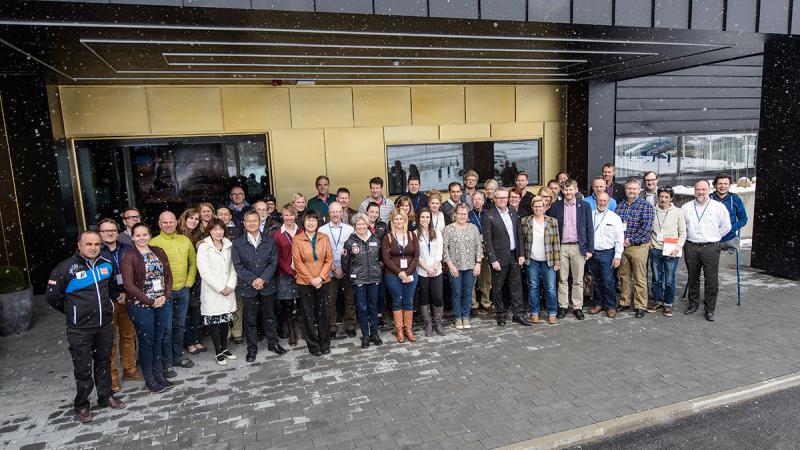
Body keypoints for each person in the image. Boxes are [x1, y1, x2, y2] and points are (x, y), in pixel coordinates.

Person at [46, 230, 126, 423]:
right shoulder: (65, 268)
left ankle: (105, 397)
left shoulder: (106, 265)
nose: (93, 248)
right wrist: (73, 313)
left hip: (104, 325)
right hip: (80, 329)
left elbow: (113, 289)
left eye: (97, 244)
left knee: (104, 362)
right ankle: (82, 405)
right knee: (82, 369)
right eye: (89, 244)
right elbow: (52, 297)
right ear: (79, 246)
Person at [121, 223, 175, 395]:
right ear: (132, 237)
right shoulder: (129, 256)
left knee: (159, 338)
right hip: (140, 305)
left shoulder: (158, 251)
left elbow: (168, 276)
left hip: (161, 302)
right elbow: (129, 285)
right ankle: (149, 378)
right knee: (147, 341)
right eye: (138, 235)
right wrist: (150, 301)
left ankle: (159, 374)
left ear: (149, 235)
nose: (142, 238)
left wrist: (165, 296)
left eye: (145, 234)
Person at [232, 210, 287, 361]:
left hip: (267, 286)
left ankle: (273, 343)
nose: (251, 223)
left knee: (269, 317)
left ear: (259, 222)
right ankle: (252, 349)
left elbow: (273, 262)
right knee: (250, 320)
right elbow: (238, 266)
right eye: (248, 221)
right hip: (248, 288)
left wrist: (262, 279)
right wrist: (253, 280)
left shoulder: (269, 241)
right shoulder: (237, 243)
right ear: (244, 223)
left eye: (254, 221)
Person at [97, 218, 143, 393]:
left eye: (113, 230)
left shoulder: (126, 249)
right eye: (105, 231)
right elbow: (99, 280)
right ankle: (112, 378)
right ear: (100, 233)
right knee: (109, 341)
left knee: (128, 335)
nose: (110, 233)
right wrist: (116, 294)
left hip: (128, 297)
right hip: (107, 301)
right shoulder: (97, 252)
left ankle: (130, 369)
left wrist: (128, 292)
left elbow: (136, 271)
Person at [150, 211, 197, 369]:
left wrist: (189, 282)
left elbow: (193, 261)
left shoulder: (184, 240)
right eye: (165, 222)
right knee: (166, 328)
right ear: (159, 224)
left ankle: (177, 357)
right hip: (165, 293)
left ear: (176, 222)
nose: (168, 225)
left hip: (183, 289)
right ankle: (166, 361)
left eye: (171, 222)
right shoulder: (153, 243)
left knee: (180, 325)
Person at [681, 180, 731, 321]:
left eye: (703, 189)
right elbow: (682, 227)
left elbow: (726, 226)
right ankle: (693, 304)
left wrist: (714, 236)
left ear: (709, 190)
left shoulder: (718, 207)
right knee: (693, 277)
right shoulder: (686, 207)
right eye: (698, 189)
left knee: (711, 279)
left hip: (711, 246)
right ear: (694, 191)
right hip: (691, 246)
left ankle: (709, 309)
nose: (700, 192)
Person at [546, 179, 594, 320]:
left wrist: (589, 249)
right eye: (566, 189)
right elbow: (551, 229)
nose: (568, 192)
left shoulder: (584, 206)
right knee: (562, 279)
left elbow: (589, 228)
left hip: (578, 247)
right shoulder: (556, 207)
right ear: (562, 190)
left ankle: (577, 307)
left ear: (576, 189)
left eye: (571, 189)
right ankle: (563, 306)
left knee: (578, 280)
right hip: (561, 247)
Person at [482, 187, 529, 326]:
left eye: (504, 197)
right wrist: (493, 259)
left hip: (514, 255)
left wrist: (521, 254)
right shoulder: (488, 215)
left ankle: (518, 314)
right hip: (499, 258)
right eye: (499, 197)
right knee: (498, 287)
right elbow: (487, 240)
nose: (502, 200)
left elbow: (519, 234)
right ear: (494, 199)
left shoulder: (513, 212)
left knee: (516, 286)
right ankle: (501, 313)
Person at [196, 219, 238, 366]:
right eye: (215, 230)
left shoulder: (229, 244)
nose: (218, 232)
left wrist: (230, 285)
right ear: (210, 231)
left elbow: (234, 267)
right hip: (213, 291)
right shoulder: (204, 247)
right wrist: (220, 288)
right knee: (215, 323)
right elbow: (204, 271)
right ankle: (218, 352)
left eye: (221, 229)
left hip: (228, 289)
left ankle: (225, 349)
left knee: (225, 322)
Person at [292, 210, 334, 356]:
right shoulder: (297, 239)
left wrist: (321, 278)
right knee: (308, 314)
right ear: (303, 222)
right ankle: (313, 345)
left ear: (318, 223)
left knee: (324, 313)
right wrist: (311, 279)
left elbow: (329, 259)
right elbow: (298, 262)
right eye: (308, 220)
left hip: (324, 281)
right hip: (305, 283)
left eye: (314, 220)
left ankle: (325, 343)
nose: (311, 223)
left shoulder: (324, 238)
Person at [342, 213, 384, 348]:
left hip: (374, 279)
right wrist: (352, 275)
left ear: (367, 225)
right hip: (358, 280)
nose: (361, 226)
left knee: (373, 306)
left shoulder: (376, 240)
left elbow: (381, 259)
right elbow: (345, 263)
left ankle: (374, 334)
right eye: (358, 224)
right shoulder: (349, 242)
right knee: (362, 307)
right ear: (354, 226)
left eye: (363, 223)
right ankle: (365, 335)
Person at [615, 178, 655, 318]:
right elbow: (615, 225)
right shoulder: (620, 206)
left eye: (634, 189)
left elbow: (647, 228)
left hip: (638, 247)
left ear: (639, 190)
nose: (631, 191)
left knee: (639, 277)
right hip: (623, 247)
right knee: (624, 276)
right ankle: (624, 301)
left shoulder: (646, 206)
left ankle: (640, 305)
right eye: (629, 189)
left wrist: (631, 240)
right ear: (625, 190)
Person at [442, 203, 483, 330]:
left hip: (470, 266)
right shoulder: (448, 229)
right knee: (456, 293)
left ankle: (466, 316)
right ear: (455, 214)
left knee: (467, 293)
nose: (462, 216)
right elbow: (444, 249)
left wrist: (478, 263)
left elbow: (478, 246)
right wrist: (450, 265)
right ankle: (458, 317)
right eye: (460, 213)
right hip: (455, 268)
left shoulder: (473, 228)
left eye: (464, 214)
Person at [521, 196, 561, 324]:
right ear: (532, 207)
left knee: (550, 287)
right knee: (533, 286)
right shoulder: (525, 221)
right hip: (531, 259)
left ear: (545, 207)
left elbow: (556, 242)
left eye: (540, 206)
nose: (538, 208)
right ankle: (534, 312)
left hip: (548, 260)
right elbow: (522, 241)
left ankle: (552, 312)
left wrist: (557, 261)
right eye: (535, 206)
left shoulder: (552, 221)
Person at [319, 202, 356, 339]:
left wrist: (343, 268)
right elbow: (321, 253)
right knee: (330, 301)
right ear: (328, 214)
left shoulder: (349, 229)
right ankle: (332, 326)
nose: (335, 214)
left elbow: (353, 252)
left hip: (346, 270)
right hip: (329, 271)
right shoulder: (322, 230)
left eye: (338, 211)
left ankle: (350, 325)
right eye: (332, 212)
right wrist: (333, 268)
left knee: (350, 299)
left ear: (342, 213)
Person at [382, 209, 420, 343]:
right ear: (392, 221)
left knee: (409, 301)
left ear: (405, 220)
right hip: (393, 275)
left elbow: (416, 256)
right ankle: (399, 330)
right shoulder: (388, 237)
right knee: (397, 300)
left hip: (411, 274)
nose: (399, 221)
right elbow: (386, 259)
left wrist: (408, 272)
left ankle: (408, 329)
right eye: (396, 219)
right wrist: (400, 272)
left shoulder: (411, 235)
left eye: (401, 219)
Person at [647, 186, 686, 317]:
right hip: (655, 249)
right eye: (661, 196)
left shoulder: (678, 212)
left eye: (666, 197)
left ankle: (668, 303)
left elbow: (683, 233)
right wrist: (650, 245)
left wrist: (677, 247)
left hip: (671, 250)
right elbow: (648, 229)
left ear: (671, 198)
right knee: (656, 278)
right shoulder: (652, 210)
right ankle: (658, 301)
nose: (663, 199)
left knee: (669, 279)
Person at [587, 193, 624, 318]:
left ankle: (610, 306)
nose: (602, 203)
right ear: (596, 201)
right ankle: (598, 304)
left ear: (608, 202)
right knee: (596, 281)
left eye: (604, 201)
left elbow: (620, 239)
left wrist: (617, 256)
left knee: (608, 281)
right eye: (600, 200)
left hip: (608, 253)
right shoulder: (589, 215)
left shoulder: (614, 218)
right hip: (592, 253)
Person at [177, 208, 206, 356]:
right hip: (182, 278)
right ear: (184, 218)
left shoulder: (200, 235)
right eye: (191, 218)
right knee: (185, 313)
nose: (193, 221)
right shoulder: (177, 235)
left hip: (197, 278)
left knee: (196, 311)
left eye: (196, 219)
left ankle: (197, 339)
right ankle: (189, 342)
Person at [273, 204, 303, 346]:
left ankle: (302, 330)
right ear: (282, 216)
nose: (289, 218)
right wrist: (291, 271)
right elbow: (277, 257)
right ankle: (291, 333)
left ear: (295, 216)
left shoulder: (302, 232)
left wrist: (300, 271)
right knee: (287, 306)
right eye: (286, 215)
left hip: (302, 273)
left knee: (303, 304)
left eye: (291, 215)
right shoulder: (277, 234)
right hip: (285, 274)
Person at [415, 208, 445, 336]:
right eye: (423, 217)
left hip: (436, 270)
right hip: (422, 271)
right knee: (424, 297)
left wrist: (434, 267)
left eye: (427, 217)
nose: (425, 219)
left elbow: (440, 251)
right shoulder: (414, 233)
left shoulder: (437, 232)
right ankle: (428, 324)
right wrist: (427, 268)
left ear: (430, 219)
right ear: (419, 218)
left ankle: (438, 323)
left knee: (438, 297)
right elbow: (416, 255)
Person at [710, 174, 748, 252]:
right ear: (715, 185)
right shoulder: (708, 198)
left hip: (729, 238)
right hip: (710, 237)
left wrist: (731, 228)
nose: (722, 186)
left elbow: (743, 219)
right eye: (720, 184)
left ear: (729, 185)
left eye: (725, 184)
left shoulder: (735, 199)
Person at [469, 191, 492, 313]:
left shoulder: (488, 214)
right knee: (473, 278)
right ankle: (473, 304)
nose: (477, 201)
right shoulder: (468, 216)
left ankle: (486, 301)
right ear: (472, 201)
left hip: (487, 249)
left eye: (479, 199)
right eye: (475, 199)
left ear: (483, 201)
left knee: (486, 277)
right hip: (472, 250)